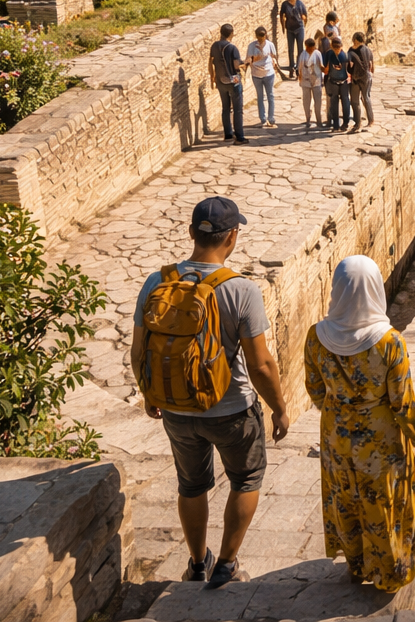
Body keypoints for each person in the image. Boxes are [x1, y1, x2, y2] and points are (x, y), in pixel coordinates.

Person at [132, 196, 290, 589]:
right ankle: (226, 565)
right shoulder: (241, 290)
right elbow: (261, 365)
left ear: (191, 233)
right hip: (232, 409)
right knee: (247, 479)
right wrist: (279, 408)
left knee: (191, 485)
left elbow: (138, 351)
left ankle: (197, 562)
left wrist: (151, 394)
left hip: (177, 410)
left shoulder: (158, 282)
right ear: (232, 237)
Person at [305, 256, 415, 589]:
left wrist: (340, 412)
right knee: (383, 502)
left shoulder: (316, 337)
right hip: (381, 440)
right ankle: (390, 571)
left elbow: (315, 387)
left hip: (336, 434)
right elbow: (402, 402)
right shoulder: (389, 342)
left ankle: (356, 563)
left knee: (346, 496)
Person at [209, 23, 247, 144]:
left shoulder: (214, 46)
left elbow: (210, 63)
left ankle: (228, 135)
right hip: (234, 81)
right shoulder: (232, 48)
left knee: (225, 108)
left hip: (220, 81)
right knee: (237, 109)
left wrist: (212, 78)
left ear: (220, 32)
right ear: (231, 34)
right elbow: (236, 65)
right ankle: (240, 136)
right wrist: (246, 63)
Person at [247, 27, 278, 129]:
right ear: (256, 36)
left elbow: (274, 55)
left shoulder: (270, 44)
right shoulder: (252, 46)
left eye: (263, 38)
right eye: (259, 38)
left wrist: (275, 62)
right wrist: (253, 59)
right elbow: (248, 59)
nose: (261, 40)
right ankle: (263, 119)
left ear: (265, 36)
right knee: (260, 96)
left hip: (269, 73)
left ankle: (271, 118)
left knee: (270, 95)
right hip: (256, 75)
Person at [322, 36, 351, 132]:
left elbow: (326, 70)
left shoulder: (330, 54)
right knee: (342, 102)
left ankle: (339, 124)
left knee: (338, 103)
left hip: (336, 81)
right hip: (340, 82)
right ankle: (342, 124)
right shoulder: (345, 55)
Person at [348, 31, 375, 132]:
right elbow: (371, 65)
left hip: (357, 78)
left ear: (355, 40)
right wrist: (370, 73)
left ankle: (358, 123)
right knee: (365, 98)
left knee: (356, 101)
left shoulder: (351, 51)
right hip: (366, 77)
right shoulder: (368, 50)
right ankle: (370, 121)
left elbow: (349, 65)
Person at [280, 0, 308, 79]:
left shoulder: (299, 3)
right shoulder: (285, 4)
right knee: (290, 49)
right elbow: (282, 15)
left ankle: (299, 68)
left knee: (300, 48)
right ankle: (291, 67)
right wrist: (283, 26)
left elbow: (305, 14)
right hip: (290, 29)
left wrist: (304, 20)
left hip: (299, 28)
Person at [298, 37, 324, 130]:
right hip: (306, 81)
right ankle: (308, 118)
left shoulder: (317, 54)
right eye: (310, 48)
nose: (312, 49)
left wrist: (323, 77)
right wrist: (300, 79)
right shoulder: (303, 55)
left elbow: (321, 66)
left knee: (318, 101)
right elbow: (300, 67)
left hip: (316, 80)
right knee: (306, 101)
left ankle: (319, 120)